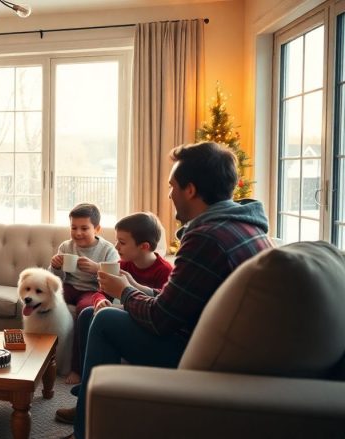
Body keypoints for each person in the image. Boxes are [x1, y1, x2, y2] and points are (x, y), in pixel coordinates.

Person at [58, 141, 274, 439]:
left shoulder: (206, 238)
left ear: (191, 189)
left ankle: (86, 432)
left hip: (203, 352)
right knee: (89, 317)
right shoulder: (239, 225)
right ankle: (90, 407)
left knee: (105, 320)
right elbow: (181, 301)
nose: (169, 193)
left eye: (172, 185)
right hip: (204, 333)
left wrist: (124, 292)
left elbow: (161, 319)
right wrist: (133, 286)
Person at [59, 211, 173, 416]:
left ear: (144, 246)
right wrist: (101, 300)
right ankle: (88, 388)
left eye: (121, 242)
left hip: (152, 325)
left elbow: (161, 309)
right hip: (133, 314)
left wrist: (131, 286)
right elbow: (100, 291)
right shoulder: (122, 265)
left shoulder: (165, 271)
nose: (116, 247)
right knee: (87, 314)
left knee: (102, 318)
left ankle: (89, 403)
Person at [48, 203, 119, 384]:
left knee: (85, 311)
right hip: (70, 286)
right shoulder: (66, 246)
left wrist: (96, 269)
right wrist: (55, 266)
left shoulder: (107, 249)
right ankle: (40, 359)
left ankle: (77, 369)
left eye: (84, 228)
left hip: (94, 290)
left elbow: (115, 277)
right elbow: (55, 279)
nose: (78, 233)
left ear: (97, 229)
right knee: (44, 300)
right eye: (73, 228)